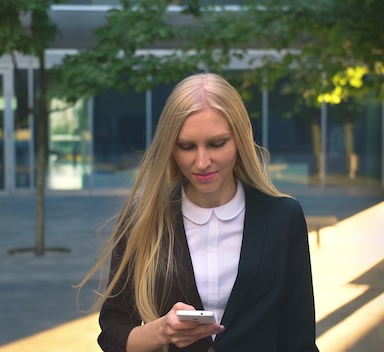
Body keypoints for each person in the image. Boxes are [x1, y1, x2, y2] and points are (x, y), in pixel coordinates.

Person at [78, 72, 319, 352]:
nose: (202, 162)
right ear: (170, 147)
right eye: (187, 146)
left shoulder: (283, 217)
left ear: (240, 139)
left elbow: (299, 338)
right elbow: (112, 335)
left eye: (217, 144)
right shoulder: (143, 218)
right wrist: (163, 331)